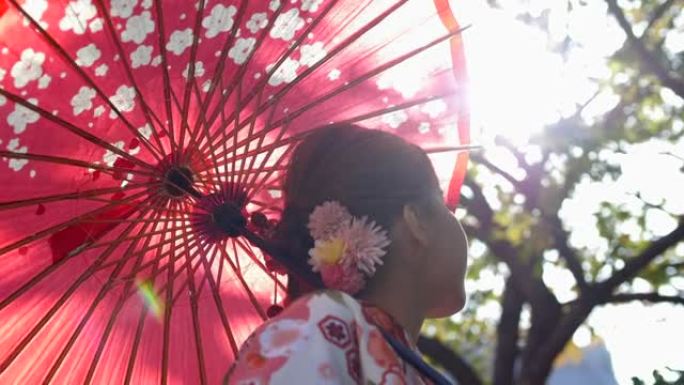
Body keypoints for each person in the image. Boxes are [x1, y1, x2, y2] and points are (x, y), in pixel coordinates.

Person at [224, 123, 469, 384]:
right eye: (444, 204)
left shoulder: (411, 365)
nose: (455, 218)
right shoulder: (321, 324)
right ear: (416, 220)